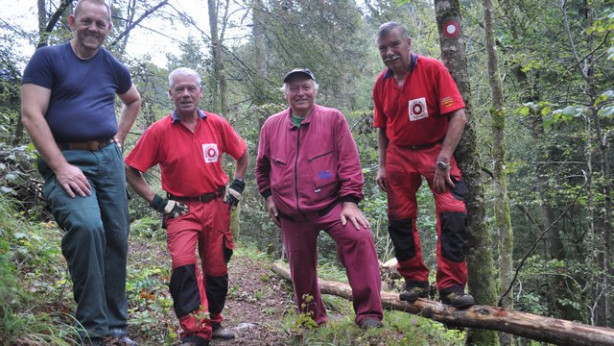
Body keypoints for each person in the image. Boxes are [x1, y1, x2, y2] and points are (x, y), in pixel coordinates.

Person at [20, 0, 141, 345]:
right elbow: (31, 114)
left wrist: (119, 137)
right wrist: (59, 166)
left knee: (116, 236)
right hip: (66, 157)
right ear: (73, 21)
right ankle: (91, 329)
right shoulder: (49, 59)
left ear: (109, 28)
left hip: (107, 159)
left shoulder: (113, 67)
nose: (93, 28)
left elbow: (134, 100)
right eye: (86, 21)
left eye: (100, 23)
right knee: (88, 228)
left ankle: (116, 326)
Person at [124, 67, 248, 346]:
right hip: (180, 209)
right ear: (171, 94)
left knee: (217, 267)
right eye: (179, 89)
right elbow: (131, 169)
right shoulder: (159, 131)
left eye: (191, 88)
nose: (186, 94)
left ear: (200, 91)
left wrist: (237, 184)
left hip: (217, 205)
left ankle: (213, 322)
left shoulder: (216, 124)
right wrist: (157, 201)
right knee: (183, 264)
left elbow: (242, 152)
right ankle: (194, 331)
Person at [255, 68, 384, 329]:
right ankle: (312, 320)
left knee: (359, 237)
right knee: (300, 269)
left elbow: (349, 162)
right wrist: (269, 198)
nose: (300, 93)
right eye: (294, 89)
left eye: (306, 87)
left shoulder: (333, 119)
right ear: (286, 94)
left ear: (315, 90)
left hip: (331, 206)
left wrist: (350, 201)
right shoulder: (272, 126)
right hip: (291, 213)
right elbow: (262, 168)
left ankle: (369, 313)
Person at [372, 21, 474, 308]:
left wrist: (443, 159)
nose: (389, 52)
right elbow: (381, 127)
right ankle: (415, 281)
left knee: (453, 213)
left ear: (408, 43)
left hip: (435, 152)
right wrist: (382, 165)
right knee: (399, 219)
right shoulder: (381, 83)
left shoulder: (432, 69)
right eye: (383, 48)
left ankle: (452, 286)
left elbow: (459, 116)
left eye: (394, 45)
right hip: (399, 154)